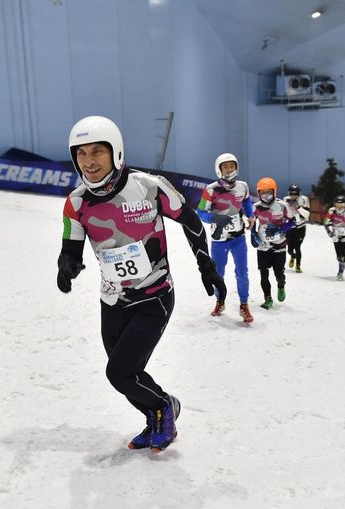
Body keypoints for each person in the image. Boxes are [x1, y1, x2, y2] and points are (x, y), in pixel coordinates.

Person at [56, 116, 226, 453]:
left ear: (115, 152)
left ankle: (164, 407)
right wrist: (67, 264)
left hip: (155, 297)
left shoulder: (149, 186)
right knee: (126, 376)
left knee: (120, 373)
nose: (89, 162)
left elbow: (191, 221)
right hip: (112, 301)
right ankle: (157, 415)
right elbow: (70, 245)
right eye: (81, 154)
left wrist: (205, 264)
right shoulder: (76, 203)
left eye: (96, 152)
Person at [196, 153, 254, 323]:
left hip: (238, 238)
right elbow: (200, 212)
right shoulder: (210, 190)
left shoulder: (242, 186)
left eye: (232, 166)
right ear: (219, 169)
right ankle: (220, 301)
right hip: (219, 240)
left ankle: (244, 305)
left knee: (242, 272)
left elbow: (247, 202)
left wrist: (250, 216)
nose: (230, 169)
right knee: (218, 273)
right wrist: (215, 218)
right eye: (226, 166)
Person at [250, 177, 296, 309]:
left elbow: (293, 222)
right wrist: (253, 234)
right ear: (258, 193)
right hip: (263, 245)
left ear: (274, 191)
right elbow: (251, 222)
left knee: (279, 274)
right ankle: (268, 299)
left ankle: (281, 286)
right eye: (262, 192)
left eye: (269, 192)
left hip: (279, 245)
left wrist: (282, 228)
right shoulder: (256, 207)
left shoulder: (282, 205)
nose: (266, 195)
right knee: (263, 273)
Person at [283, 184, 311, 273]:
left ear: (299, 193)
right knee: (289, 249)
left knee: (297, 246)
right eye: (291, 193)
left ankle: (298, 265)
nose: (293, 195)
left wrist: (298, 207)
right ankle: (293, 256)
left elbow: (307, 214)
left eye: (296, 193)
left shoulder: (304, 199)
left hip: (300, 227)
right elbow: (283, 213)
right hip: (290, 227)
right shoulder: (285, 199)